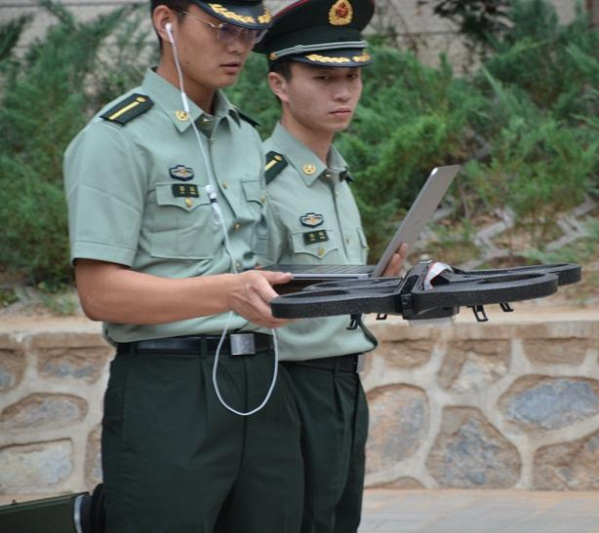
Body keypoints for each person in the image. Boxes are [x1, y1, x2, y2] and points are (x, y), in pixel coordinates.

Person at [63, 1, 304, 531]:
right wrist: (227, 293)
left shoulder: (244, 135)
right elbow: (99, 293)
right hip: (170, 387)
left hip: (262, 379)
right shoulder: (117, 138)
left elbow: (258, 261)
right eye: (220, 28)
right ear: (166, 21)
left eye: (250, 30)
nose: (238, 45)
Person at [253, 1, 406, 531]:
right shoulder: (262, 183)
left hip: (344, 379)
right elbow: (247, 298)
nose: (343, 92)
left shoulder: (335, 176)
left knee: (341, 520)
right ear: (280, 84)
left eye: (351, 77)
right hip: (289, 386)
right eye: (323, 78)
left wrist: (382, 284)